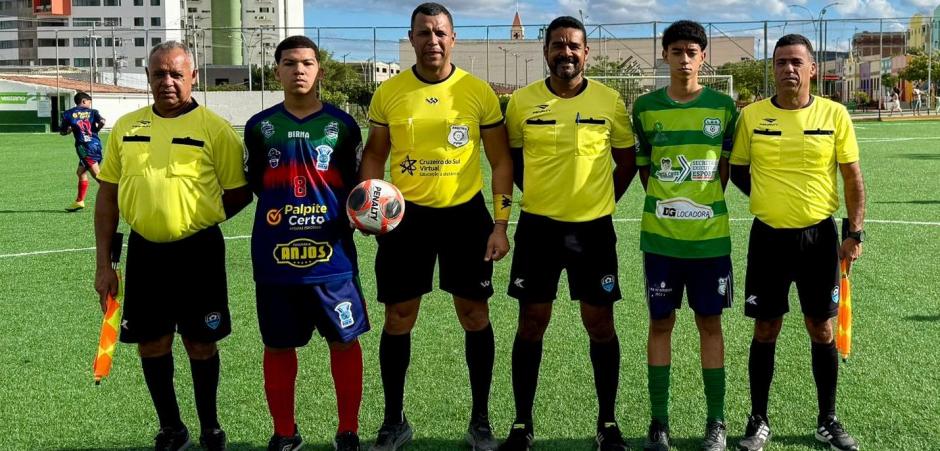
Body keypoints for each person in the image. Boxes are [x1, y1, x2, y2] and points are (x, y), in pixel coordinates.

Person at [359, 3, 514, 450]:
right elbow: (374, 153)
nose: (433, 41)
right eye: (424, 33)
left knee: (474, 314)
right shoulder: (389, 92)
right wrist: (368, 202)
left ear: (453, 38)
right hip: (406, 220)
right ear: (411, 38)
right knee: (399, 317)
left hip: (465, 217)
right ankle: (394, 420)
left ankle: (480, 420)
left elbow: (501, 160)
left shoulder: (477, 91)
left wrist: (500, 222)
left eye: (441, 33)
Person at [94, 41, 252, 451]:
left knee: (201, 342)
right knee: (152, 342)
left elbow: (238, 194)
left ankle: (211, 428)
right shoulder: (126, 128)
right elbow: (107, 197)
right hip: (145, 253)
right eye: (159, 73)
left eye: (176, 74)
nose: (167, 81)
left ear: (193, 77)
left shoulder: (215, 130)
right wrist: (103, 265)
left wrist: (195, 218)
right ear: (148, 77)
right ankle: (171, 428)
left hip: (198, 252)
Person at [498, 16, 636, 451]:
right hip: (538, 230)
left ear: (586, 52)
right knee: (532, 322)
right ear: (545, 51)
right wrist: (543, 195)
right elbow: (513, 164)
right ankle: (522, 425)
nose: (566, 52)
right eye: (558, 45)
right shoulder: (520, 103)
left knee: (599, 323)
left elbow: (627, 162)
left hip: (594, 231)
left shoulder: (610, 101)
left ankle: (607, 424)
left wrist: (597, 199)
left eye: (574, 45)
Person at [730, 34, 865, 451]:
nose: (788, 69)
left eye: (796, 62)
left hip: (819, 238)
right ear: (772, 69)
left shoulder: (835, 114)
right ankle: (758, 420)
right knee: (766, 328)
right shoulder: (751, 116)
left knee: (820, 328)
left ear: (811, 70)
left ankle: (827, 419)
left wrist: (853, 232)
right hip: (768, 239)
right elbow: (738, 171)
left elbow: (852, 178)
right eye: (780, 62)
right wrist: (771, 198)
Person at [244, 35, 368, 451]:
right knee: (278, 346)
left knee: (345, 341)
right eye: (290, 63)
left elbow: (355, 187)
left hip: (332, 259)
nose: (299, 70)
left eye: (307, 63)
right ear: (276, 70)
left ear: (320, 70)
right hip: (276, 256)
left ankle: (347, 431)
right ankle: (284, 433)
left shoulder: (344, 126)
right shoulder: (259, 127)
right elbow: (259, 184)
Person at [631, 20, 737, 451]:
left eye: (692, 52)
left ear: (704, 57)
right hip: (661, 239)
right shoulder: (644, 108)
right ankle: (660, 422)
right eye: (677, 51)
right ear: (665, 55)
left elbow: (725, 169)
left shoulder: (725, 108)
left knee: (710, 324)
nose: (685, 59)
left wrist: (700, 204)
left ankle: (716, 420)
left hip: (710, 240)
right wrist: (671, 203)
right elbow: (644, 168)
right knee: (661, 323)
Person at [59, 91, 105, 212]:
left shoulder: (68, 114)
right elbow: (103, 121)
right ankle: (79, 201)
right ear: (84, 101)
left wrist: (69, 131)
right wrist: (97, 129)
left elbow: (62, 132)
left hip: (84, 148)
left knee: (99, 177)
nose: (90, 104)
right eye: (89, 101)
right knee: (80, 172)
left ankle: (120, 199)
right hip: (96, 145)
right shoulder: (93, 112)